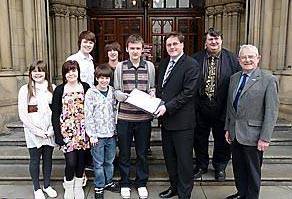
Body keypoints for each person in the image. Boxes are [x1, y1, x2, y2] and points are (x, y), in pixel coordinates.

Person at [225, 44, 279, 199]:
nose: (247, 60)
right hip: (235, 133)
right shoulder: (234, 78)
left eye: (250, 56)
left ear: (258, 58)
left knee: (253, 172)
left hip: (254, 136)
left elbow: (271, 111)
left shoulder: (268, 79)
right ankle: (241, 193)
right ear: (238, 59)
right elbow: (230, 106)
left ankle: (251, 196)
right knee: (238, 168)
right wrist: (228, 128)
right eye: (243, 57)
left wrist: (265, 138)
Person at [192, 27, 241, 181]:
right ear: (205, 42)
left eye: (216, 38)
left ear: (221, 40)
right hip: (201, 106)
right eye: (210, 39)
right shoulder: (195, 59)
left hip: (223, 108)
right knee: (199, 139)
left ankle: (220, 166)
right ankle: (201, 165)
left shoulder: (233, 59)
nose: (213, 42)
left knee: (222, 139)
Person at [155, 32, 200, 199]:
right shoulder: (165, 63)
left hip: (183, 123)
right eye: (169, 45)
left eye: (175, 44)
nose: (172, 47)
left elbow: (188, 93)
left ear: (182, 45)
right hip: (166, 121)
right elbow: (163, 88)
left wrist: (167, 107)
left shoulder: (191, 64)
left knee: (184, 161)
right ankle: (174, 187)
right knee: (170, 159)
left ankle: (184, 193)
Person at [114, 34, 155, 199]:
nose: (135, 51)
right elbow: (116, 90)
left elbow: (152, 87)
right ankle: (125, 182)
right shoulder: (120, 67)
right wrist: (122, 96)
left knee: (142, 153)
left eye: (138, 48)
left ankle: (141, 182)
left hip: (143, 118)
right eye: (132, 48)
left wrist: (152, 94)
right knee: (124, 153)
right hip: (124, 117)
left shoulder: (150, 66)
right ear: (127, 49)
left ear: (142, 49)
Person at [18, 60, 58, 199]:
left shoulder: (52, 88)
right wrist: (36, 131)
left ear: (45, 72)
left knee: (48, 159)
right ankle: (37, 188)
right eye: (34, 71)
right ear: (30, 73)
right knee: (35, 159)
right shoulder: (25, 89)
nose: (37, 73)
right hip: (33, 132)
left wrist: (52, 129)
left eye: (40, 70)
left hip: (49, 131)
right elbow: (23, 114)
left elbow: (57, 111)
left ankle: (47, 185)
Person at [51, 60, 91, 199]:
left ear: (78, 72)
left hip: (83, 130)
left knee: (81, 161)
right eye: (68, 71)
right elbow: (55, 113)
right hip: (67, 131)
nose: (71, 74)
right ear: (64, 74)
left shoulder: (85, 87)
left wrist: (91, 131)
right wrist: (57, 135)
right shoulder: (60, 89)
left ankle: (78, 185)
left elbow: (91, 109)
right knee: (71, 162)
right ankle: (68, 184)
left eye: (73, 70)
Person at [84, 64, 120, 199]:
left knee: (109, 161)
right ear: (96, 78)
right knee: (98, 163)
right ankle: (99, 185)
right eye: (101, 78)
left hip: (111, 133)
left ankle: (108, 182)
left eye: (106, 78)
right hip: (97, 135)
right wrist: (91, 135)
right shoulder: (91, 93)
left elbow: (116, 111)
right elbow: (88, 114)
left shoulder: (112, 92)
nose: (104, 81)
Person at [66, 30, 96, 186]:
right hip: (75, 103)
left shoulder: (91, 60)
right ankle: (80, 174)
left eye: (91, 42)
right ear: (80, 42)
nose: (88, 44)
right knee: (77, 139)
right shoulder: (73, 59)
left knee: (85, 137)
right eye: (85, 41)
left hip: (88, 101)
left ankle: (83, 169)